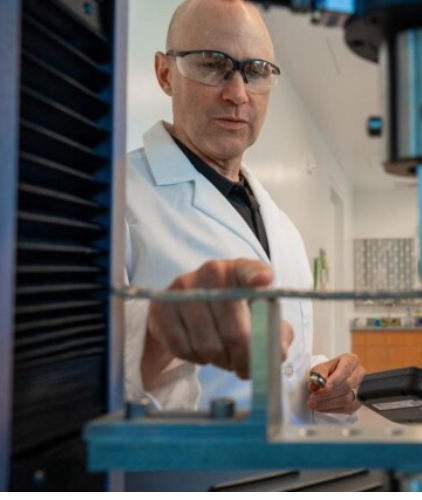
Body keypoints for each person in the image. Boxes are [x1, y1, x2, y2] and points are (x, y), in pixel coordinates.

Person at [124, 0, 364, 423]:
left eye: (255, 71)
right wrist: (159, 333)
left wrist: (324, 380)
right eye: (212, 65)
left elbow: (286, 364)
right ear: (165, 74)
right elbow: (68, 385)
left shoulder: (282, 227)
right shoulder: (114, 200)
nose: (237, 94)